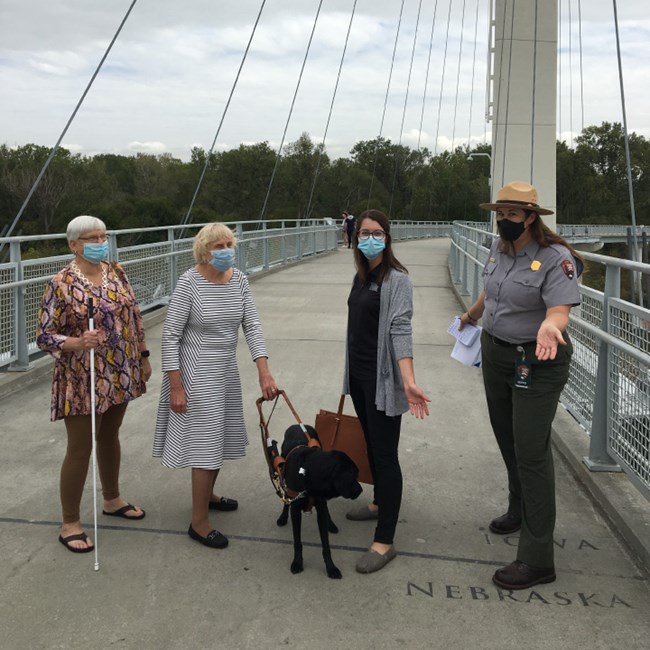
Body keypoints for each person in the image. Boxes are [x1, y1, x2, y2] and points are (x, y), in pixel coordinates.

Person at [458, 181, 582, 589]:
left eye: (512, 214)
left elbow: (560, 311)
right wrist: (472, 315)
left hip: (537, 360)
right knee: (507, 437)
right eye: (500, 213)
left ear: (531, 217)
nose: (503, 221)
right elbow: (491, 292)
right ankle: (519, 508)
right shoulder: (499, 248)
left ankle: (537, 558)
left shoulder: (554, 258)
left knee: (531, 450)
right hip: (495, 353)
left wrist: (550, 325)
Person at [153, 222, 277, 549]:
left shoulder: (238, 280)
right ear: (204, 252)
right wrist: (175, 386)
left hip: (225, 370)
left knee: (220, 436)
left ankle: (207, 496)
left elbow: (252, 325)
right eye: (218, 246)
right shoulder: (188, 283)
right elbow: (169, 336)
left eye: (229, 244)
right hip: (195, 372)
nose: (226, 251)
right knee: (205, 443)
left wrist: (264, 372)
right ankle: (198, 522)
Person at [37, 215, 151, 554]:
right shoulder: (61, 283)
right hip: (82, 375)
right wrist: (75, 343)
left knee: (110, 435)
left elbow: (134, 315)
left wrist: (142, 356)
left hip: (120, 369)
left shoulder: (116, 272)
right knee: (80, 445)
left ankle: (112, 498)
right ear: (74, 244)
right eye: (92, 238)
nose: (101, 242)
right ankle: (70, 521)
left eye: (103, 236)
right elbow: (44, 336)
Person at [342, 209, 431, 573]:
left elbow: (399, 329)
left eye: (377, 233)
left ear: (388, 238)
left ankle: (384, 540)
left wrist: (407, 379)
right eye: (364, 232)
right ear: (356, 237)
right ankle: (379, 501)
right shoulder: (360, 276)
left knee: (385, 455)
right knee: (371, 447)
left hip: (382, 381)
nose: (370, 238)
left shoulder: (398, 280)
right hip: (360, 378)